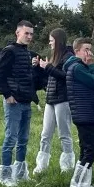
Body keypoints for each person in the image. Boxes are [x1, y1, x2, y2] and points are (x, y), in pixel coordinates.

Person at [0, 20, 38, 187]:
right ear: (17, 33)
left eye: (31, 34)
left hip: (26, 101)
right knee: (11, 137)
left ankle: (20, 173)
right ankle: (5, 175)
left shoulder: (27, 53)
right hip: (14, 101)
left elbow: (27, 78)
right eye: (26, 33)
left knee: (24, 138)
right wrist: (6, 94)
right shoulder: (9, 51)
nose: (29, 37)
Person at [63, 38, 94, 187]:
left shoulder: (78, 67)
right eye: (86, 49)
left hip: (87, 113)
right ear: (77, 51)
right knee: (89, 152)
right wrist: (92, 65)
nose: (90, 53)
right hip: (84, 114)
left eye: (91, 49)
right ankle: (75, 186)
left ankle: (85, 184)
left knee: (88, 150)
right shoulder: (78, 68)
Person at [33, 28, 75, 177]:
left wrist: (48, 67)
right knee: (45, 134)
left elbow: (65, 76)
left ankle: (68, 166)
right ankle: (41, 166)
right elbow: (49, 77)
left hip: (63, 99)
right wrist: (39, 66)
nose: (50, 43)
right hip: (51, 99)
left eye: (51, 40)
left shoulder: (69, 56)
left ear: (58, 40)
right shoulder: (54, 55)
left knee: (64, 134)